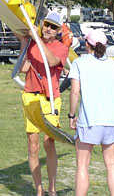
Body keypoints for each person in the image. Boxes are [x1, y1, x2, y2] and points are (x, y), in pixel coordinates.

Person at [68, 30, 114, 196]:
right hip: (112, 121)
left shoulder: (79, 63)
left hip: (89, 121)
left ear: (87, 45)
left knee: (82, 165)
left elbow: (75, 91)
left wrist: (71, 114)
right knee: (112, 165)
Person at [16, 12, 69, 196]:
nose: (48, 29)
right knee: (33, 145)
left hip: (50, 99)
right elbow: (23, 68)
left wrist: (37, 39)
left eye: (53, 27)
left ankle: (52, 189)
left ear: (58, 31)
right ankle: (39, 190)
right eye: (46, 25)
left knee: (49, 143)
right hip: (31, 96)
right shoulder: (32, 44)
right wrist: (25, 41)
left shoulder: (61, 48)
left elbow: (53, 61)